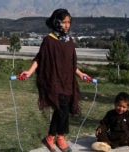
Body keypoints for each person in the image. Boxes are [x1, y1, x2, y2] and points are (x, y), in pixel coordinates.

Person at [21, 8, 91, 152]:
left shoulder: (69, 41)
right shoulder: (48, 40)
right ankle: (58, 137)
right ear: (56, 22)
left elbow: (71, 64)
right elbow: (39, 59)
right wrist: (29, 72)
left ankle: (52, 136)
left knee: (63, 110)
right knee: (61, 108)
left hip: (67, 81)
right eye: (64, 22)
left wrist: (80, 74)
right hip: (54, 81)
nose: (67, 25)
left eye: (69, 22)